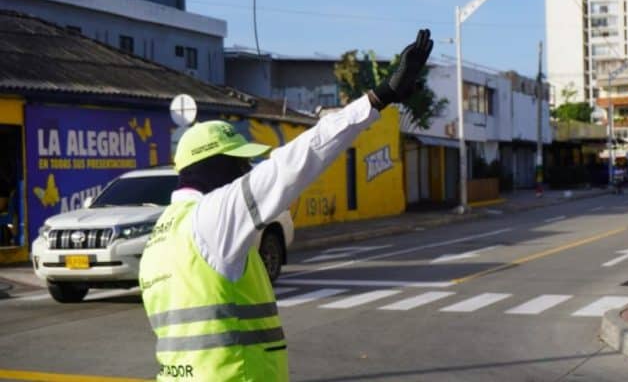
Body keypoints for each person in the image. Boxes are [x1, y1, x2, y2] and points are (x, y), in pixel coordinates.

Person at [139, 29, 433, 381]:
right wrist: (377, 99)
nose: (246, 170)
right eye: (238, 162)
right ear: (211, 166)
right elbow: (296, 161)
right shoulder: (213, 218)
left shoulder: (160, 237)